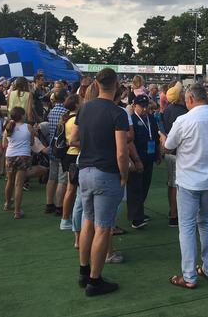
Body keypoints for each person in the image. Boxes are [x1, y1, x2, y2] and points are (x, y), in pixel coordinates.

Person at [162, 83, 208, 289]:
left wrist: (163, 138)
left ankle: (189, 275)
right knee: (206, 222)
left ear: (190, 99)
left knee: (187, 227)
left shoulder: (183, 120)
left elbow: (168, 146)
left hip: (189, 180)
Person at [71, 68, 129, 297]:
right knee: (103, 228)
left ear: (97, 83)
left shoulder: (85, 108)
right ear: (116, 84)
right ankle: (95, 281)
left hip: (85, 170)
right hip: (106, 172)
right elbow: (121, 152)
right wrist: (124, 174)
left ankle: (84, 272)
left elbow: (73, 138)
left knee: (88, 222)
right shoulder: (118, 113)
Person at [127, 94, 160, 229]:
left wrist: (158, 153)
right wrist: (133, 159)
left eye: (147, 106)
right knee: (135, 187)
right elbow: (130, 141)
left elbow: (156, 137)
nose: (145, 109)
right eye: (142, 106)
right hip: (137, 157)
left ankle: (139, 211)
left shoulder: (151, 118)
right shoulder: (132, 120)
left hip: (149, 156)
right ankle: (136, 217)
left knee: (145, 186)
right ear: (135, 106)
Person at [3, 106, 38, 219]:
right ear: (22, 116)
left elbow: (4, 145)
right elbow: (32, 143)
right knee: (19, 184)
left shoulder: (8, 128)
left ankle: (8, 203)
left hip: (10, 156)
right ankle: (17, 211)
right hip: (23, 156)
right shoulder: (28, 127)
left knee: (10, 181)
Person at [162, 82, 188, 227]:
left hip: (171, 151)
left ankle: (173, 212)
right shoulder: (181, 111)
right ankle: (174, 214)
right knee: (176, 184)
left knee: (172, 183)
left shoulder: (167, 109)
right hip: (178, 152)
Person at [45, 89, 68, 216]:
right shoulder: (66, 112)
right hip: (62, 148)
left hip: (52, 147)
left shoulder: (52, 111)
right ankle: (59, 206)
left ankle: (49, 204)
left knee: (51, 178)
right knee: (62, 180)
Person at [60, 95, 80, 230]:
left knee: (71, 189)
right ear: (77, 104)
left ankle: (66, 218)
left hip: (69, 155)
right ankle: (66, 219)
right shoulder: (75, 120)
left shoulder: (67, 119)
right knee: (72, 189)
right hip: (74, 155)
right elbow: (73, 140)